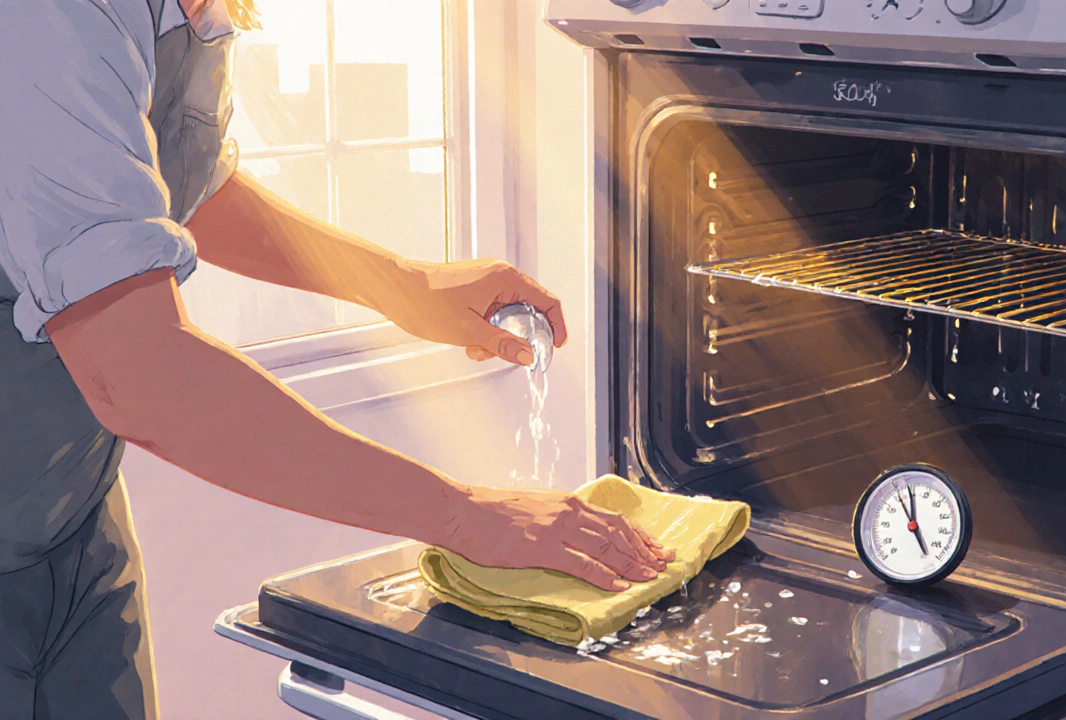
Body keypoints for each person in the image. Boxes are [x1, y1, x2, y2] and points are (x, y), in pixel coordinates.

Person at [0, 1, 672, 717]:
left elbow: (182, 188)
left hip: (71, 520)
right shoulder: (50, 17)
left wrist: (401, 285)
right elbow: (141, 375)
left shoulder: (201, 12)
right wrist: (465, 516)